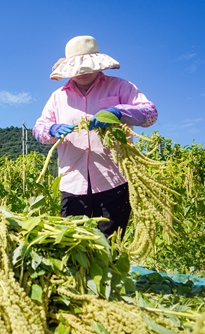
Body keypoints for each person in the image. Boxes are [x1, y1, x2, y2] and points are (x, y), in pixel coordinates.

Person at [32, 35, 158, 237]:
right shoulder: (58, 97)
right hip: (73, 181)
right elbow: (39, 129)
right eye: (77, 69)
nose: (82, 73)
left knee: (110, 245)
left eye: (87, 67)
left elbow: (150, 113)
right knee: (72, 244)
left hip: (114, 179)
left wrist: (118, 112)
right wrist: (52, 129)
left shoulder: (120, 87)